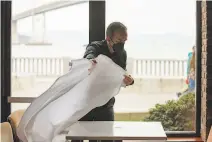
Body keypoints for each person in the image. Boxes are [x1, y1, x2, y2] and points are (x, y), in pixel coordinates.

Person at [72, 22, 134, 142]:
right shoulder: (96, 47)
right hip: (86, 102)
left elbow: (121, 74)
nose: (122, 43)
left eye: (124, 40)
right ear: (108, 38)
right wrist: (90, 61)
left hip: (106, 103)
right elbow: (89, 55)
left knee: (108, 137)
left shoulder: (123, 53)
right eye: (119, 40)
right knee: (78, 136)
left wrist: (129, 80)